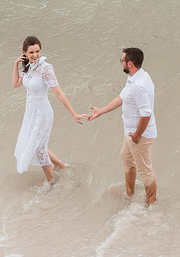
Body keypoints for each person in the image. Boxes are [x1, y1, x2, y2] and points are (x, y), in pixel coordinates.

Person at [88, 47, 157, 205]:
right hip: (131, 133)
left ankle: (151, 204)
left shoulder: (139, 85)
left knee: (145, 171)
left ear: (130, 64)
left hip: (140, 135)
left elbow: (146, 115)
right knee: (125, 158)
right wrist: (101, 111)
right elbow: (122, 97)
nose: (121, 63)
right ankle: (130, 194)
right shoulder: (134, 78)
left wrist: (138, 135)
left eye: (122, 61)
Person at [12, 36, 84, 183]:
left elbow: (58, 92)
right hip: (31, 114)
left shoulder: (46, 68)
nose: (35, 55)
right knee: (37, 144)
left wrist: (73, 113)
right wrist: (16, 64)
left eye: (37, 51)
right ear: (24, 52)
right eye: (31, 52)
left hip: (43, 113)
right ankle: (62, 166)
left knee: (38, 148)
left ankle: (51, 180)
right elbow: (16, 84)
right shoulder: (27, 67)